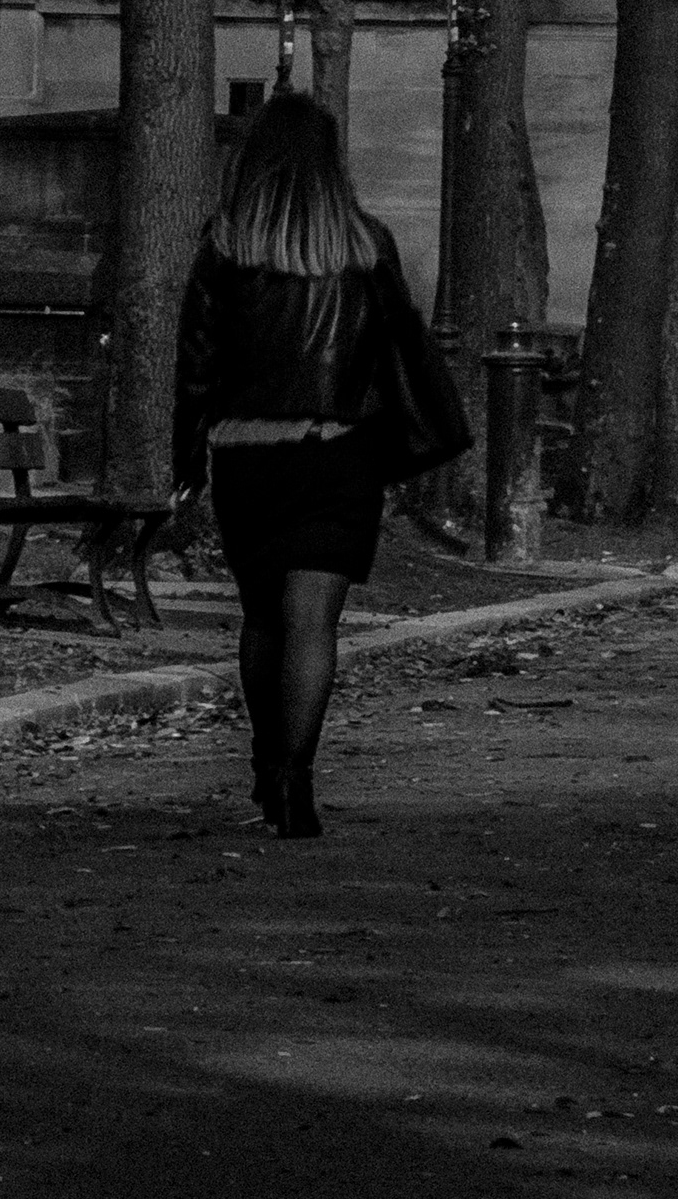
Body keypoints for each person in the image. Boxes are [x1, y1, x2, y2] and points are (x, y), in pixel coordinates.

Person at [174, 95, 469, 839]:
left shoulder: (226, 243)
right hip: (340, 456)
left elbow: (197, 365)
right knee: (313, 622)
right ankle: (295, 780)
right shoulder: (366, 245)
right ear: (331, 164)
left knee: (261, 618)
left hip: (248, 457)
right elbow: (400, 348)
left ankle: (263, 759)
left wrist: (187, 462)